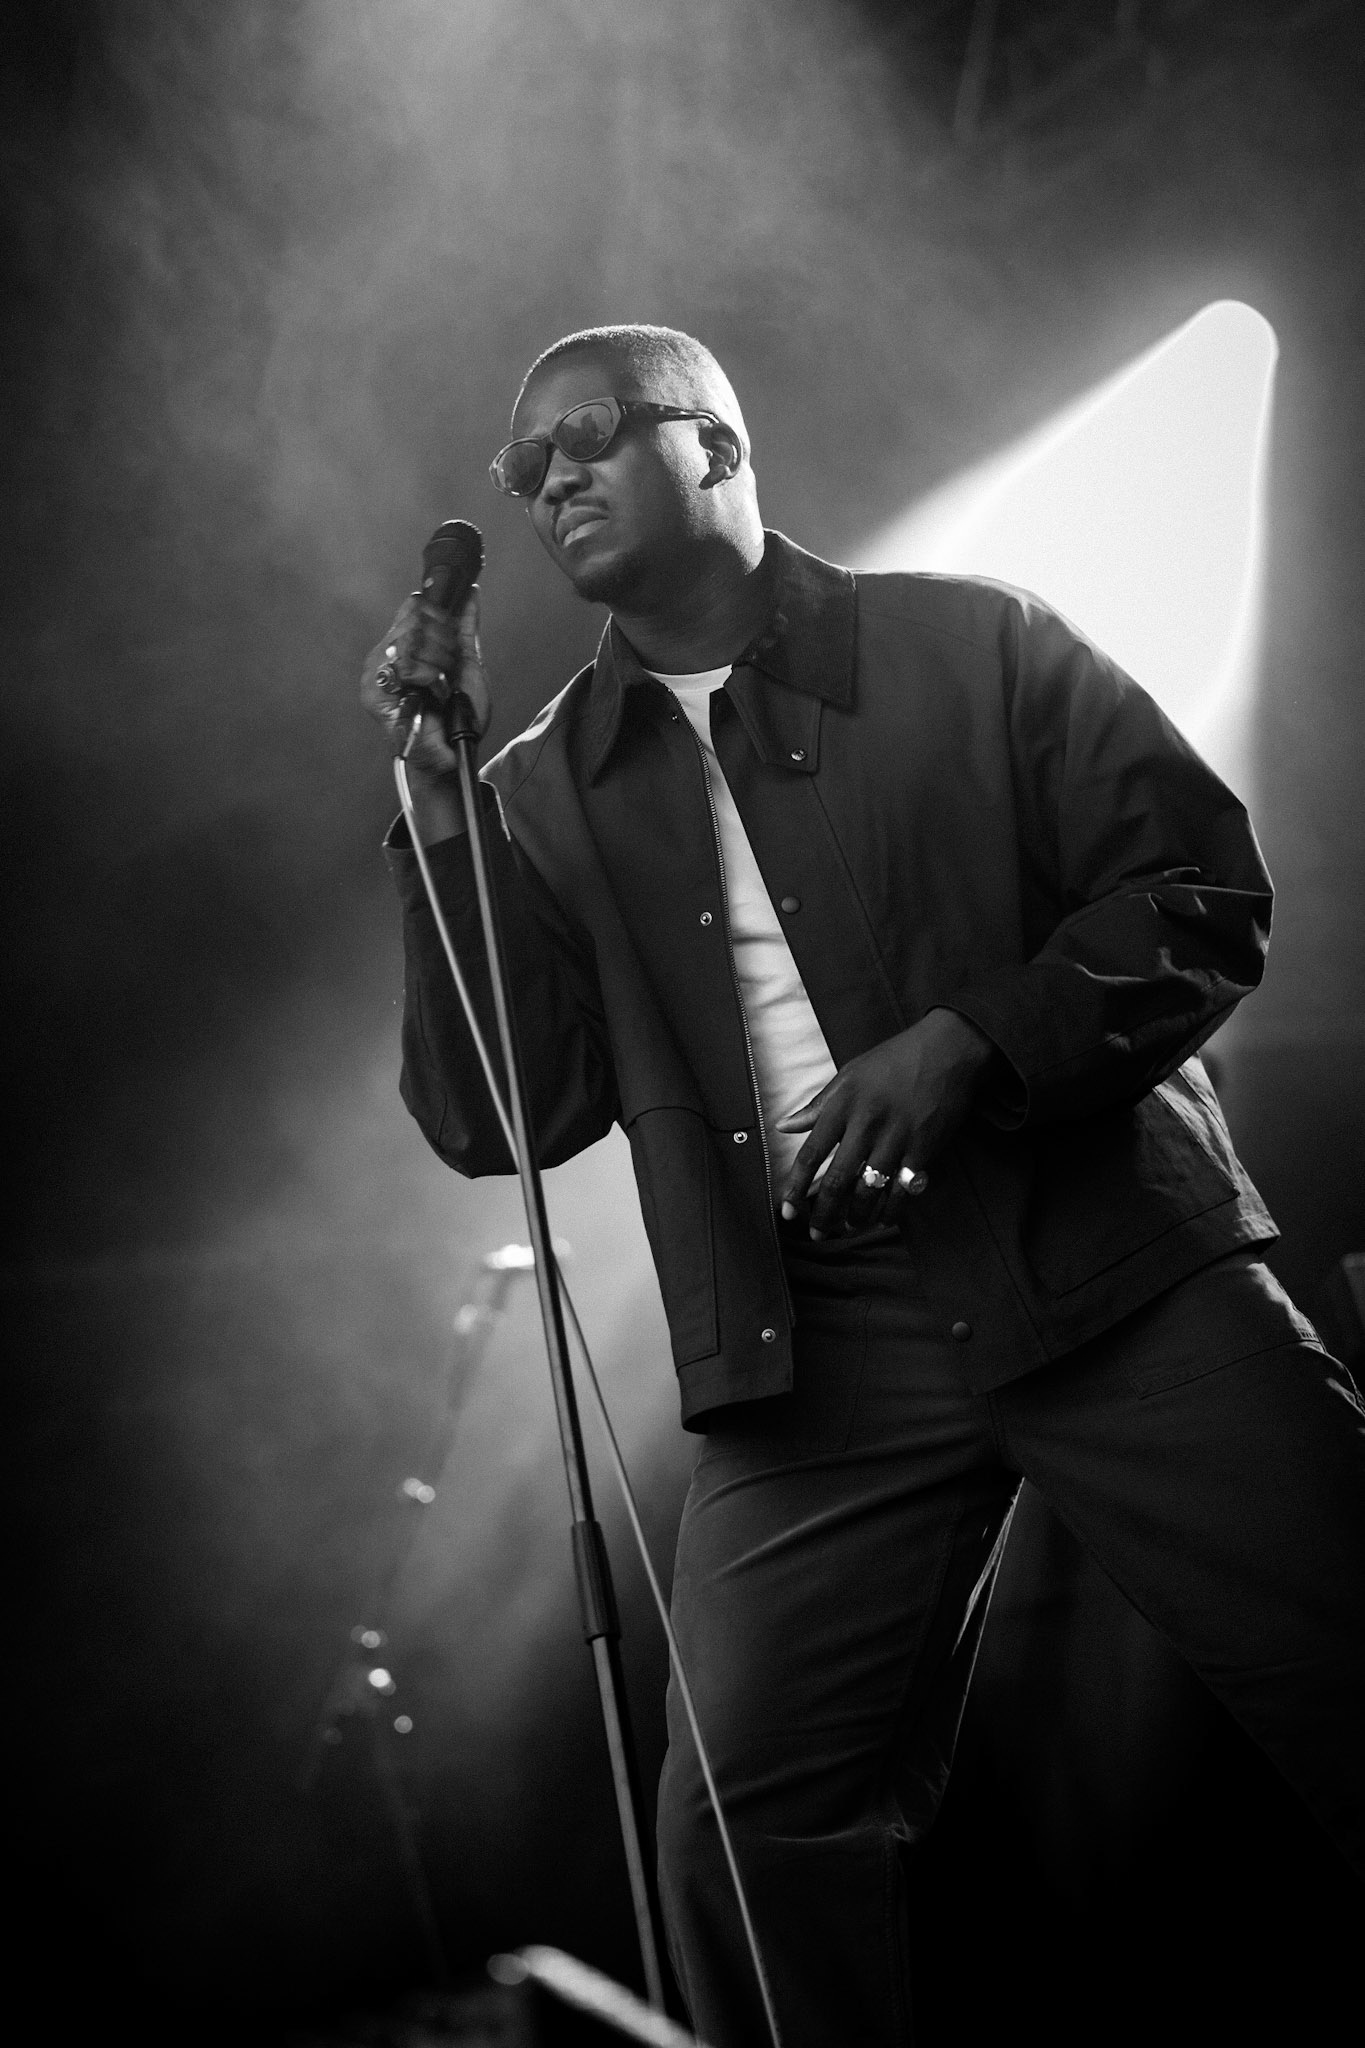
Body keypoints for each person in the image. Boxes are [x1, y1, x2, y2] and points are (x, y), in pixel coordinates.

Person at [361, 324, 1365, 2046]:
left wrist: (971, 1039)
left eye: (590, 435)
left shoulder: (967, 640)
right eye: (523, 472)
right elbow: (502, 1121)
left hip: (1105, 1262)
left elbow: (1199, 892)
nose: (550, 483)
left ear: (718, 447)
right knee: (740, 1831)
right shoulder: (535, 790)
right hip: (809, 1344)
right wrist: (443, 831)